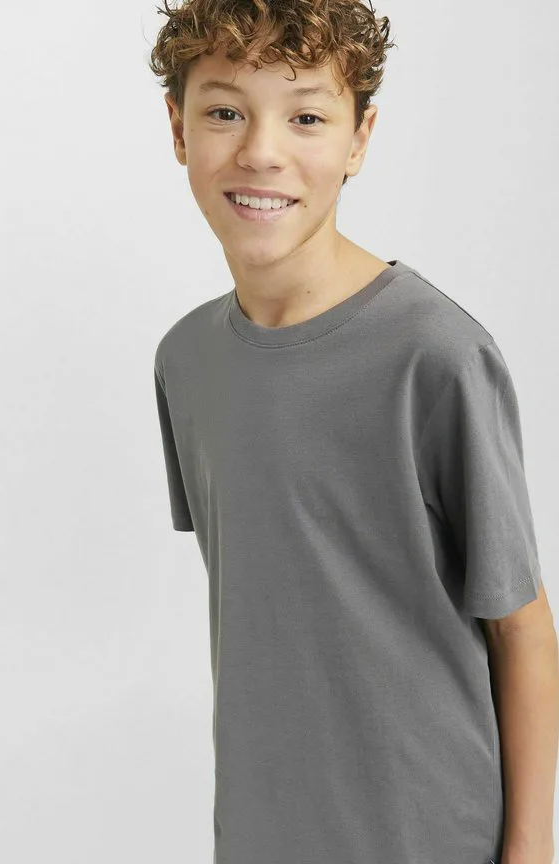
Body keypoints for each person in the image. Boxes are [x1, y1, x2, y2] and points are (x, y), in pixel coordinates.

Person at [149, 2, 558, 862]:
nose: (261, 151)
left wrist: (529, 853)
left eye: (306, 117)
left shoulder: (435, 356)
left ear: (360, 139)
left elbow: (521, 629)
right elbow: (272, 606)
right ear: (178, 128)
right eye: (224, 111)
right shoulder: (186, 360)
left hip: (429, 837)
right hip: (262, 832)